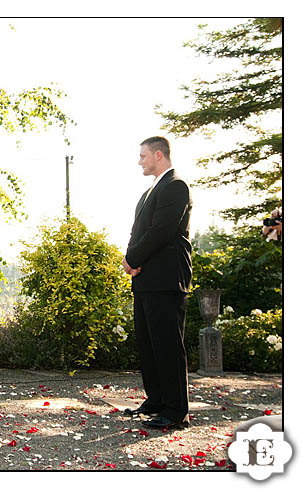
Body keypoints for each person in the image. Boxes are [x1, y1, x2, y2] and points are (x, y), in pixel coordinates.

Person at [122, 136, 193, 430]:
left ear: (159, 155)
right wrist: (130, 258)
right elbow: (138, 231)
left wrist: (133, 258)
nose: (140, 161)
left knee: (167, 346)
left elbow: (161, 231)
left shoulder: (176, 186)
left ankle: (176, 411)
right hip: (147, 279)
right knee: (149, 344)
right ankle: (157, 400)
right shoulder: (149, 191)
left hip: (166, 278)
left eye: (143, 156)